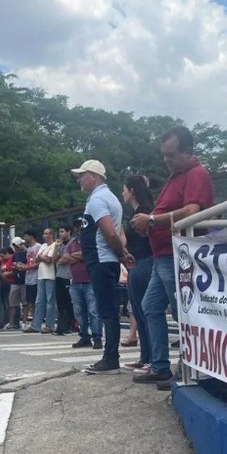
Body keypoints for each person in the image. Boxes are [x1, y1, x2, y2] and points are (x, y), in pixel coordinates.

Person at [130, 126, 215, 387]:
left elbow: (192, 210)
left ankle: (193, 369)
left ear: (187, 151)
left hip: (178, 253)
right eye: (164, 155)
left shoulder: (195, 174)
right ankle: (160, 366)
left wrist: (152, 220)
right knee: (151, 306)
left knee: (183, 311)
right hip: (164, 253)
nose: (166, 160)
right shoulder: (176, 175)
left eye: (171, 155)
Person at [72, 159, 130, 375]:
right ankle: (110, 357)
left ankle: (111, 359)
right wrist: (122, 254)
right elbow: (119, 232)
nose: (79, 178)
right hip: (105, 260)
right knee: (108, 310)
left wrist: (121, 255)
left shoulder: (98, 200)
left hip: (101, 260)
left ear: (94, 176)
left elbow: (111, 234)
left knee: (107, 311)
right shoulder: (109, 198)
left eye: (82, 174)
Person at [121, 175, 156, 373]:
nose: (122, 193)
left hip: (143, 263)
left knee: (144, 312)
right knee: (140, 312)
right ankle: (146, 357)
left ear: (132, 190)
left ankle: (150, 358)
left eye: (124, 189)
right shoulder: (140, 211)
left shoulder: (143, 212)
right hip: (138, 262)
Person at [59, 218, 101, 349]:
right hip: (75, 282)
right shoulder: (72, 243)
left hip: (90, 281)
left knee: (93, 311)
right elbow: (64, 258)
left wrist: (74, 256)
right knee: (79, 311)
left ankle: (97, 336)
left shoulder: (92, 240)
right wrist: (82, 256)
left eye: (81, 225)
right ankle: (84, 336)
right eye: (78, 226)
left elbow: (91, 254)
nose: (80, 228)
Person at [32, 228, 58, 334]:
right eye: (43, 233)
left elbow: (49, 260)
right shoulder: (43, 246)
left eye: (46, 233)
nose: (44, 235)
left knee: (50, 302)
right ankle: (36, 325)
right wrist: (42, 257)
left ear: (51, 235)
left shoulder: (54, 245)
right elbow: (36, 259)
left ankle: (50, 325)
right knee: (39, 301)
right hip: (41, 276)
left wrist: (41, 256)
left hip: (50, 276)